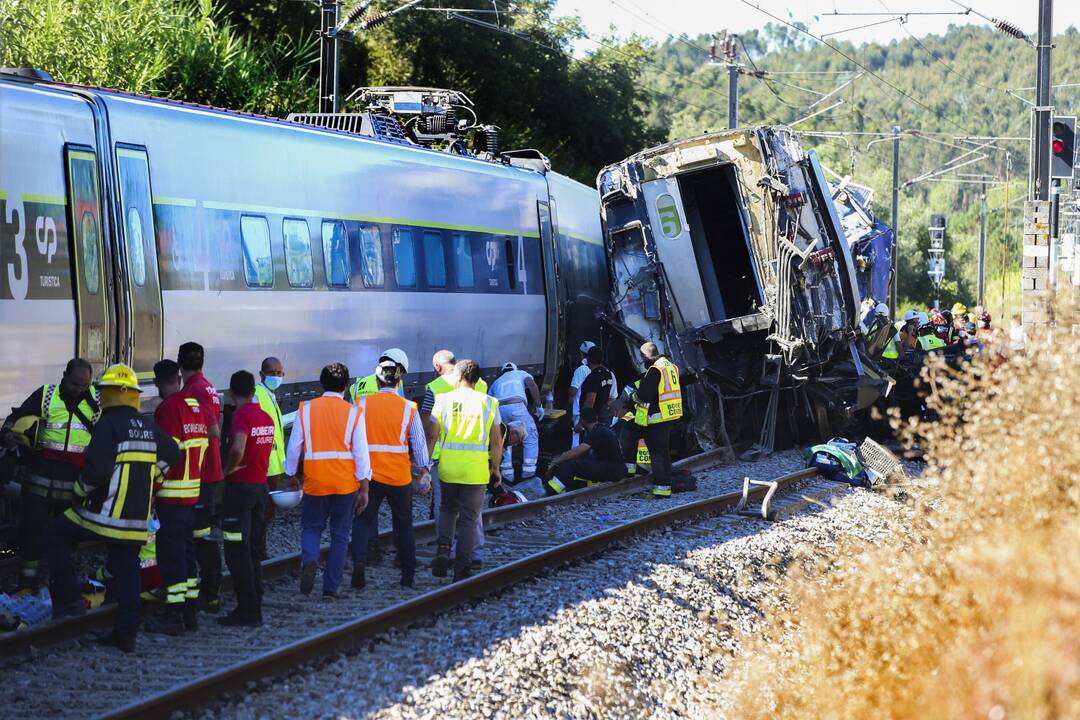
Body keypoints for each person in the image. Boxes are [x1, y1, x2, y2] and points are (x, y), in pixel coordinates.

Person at [45, 364, 180, 652]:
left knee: (55, 534)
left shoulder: (108, 425)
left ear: (111, 394)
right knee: (127, 568)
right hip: (134, 518)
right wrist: (154, 477)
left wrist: (77, 494)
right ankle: (125, 634)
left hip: (100, 514)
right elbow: (172, 452)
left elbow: (95, 473)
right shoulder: (146, 424)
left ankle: (69, 602)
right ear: (132, 395)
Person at [1, 358, 99, 590]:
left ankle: (61, 582)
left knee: (67, 537)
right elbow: (17, 417)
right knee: (31, 533)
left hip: (74, 485)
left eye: (84, 385)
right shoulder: (46, 395)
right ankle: (28, 582)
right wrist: (6, 432)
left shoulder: (97, 401)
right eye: (75, 384)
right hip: (39, 482)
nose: (79, 390)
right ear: (64, 376)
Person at [285, 363, 371, 598]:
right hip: (345, 483)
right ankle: (330, 589)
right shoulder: (353, 412)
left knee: (311, 527)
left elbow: (294, 448)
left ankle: (311, 559)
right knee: (340, 534)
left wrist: (292, 474)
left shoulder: (306, 410)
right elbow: (361, 454)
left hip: (316, 481)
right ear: (346, 386)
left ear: (322, 384)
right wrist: (364, 487)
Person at [350, 356, 431, 590]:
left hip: (369, 476)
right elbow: (418, 442)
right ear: (399, 382)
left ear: (377, 381)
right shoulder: (409, 408)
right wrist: (423, 471)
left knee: (363, 521)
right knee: (404, 524)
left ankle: (360, 564)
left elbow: (352, 438)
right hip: (398, 476)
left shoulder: (362, 405)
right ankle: (408, 575)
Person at [144, 360, 208, 636]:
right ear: (179, 379)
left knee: (170, 558)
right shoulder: (196, 407)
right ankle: (190, 611)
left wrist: (151, 489)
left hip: (171, 495)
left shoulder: (168, 409)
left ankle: (174, 615)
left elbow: (167, 454)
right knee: (187, 554)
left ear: (159, 382)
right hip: (192, 492)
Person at [426, 359, 502, 582]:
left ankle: (443, 549)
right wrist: (495, 468)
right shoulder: (489, 403)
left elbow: (432, 435)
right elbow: (496, 442)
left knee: (447, 509)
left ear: (458, 377)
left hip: (448, 467)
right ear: (477, 380)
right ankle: (462, 566)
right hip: (475, 471)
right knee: (469, 518)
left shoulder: (443, 400)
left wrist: (424, 465)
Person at [219, 370, 275, 626]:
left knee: (236, 551)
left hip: (239, 491)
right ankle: (256, 601)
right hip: (259, 488)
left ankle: (247, 609)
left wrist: (228, 468)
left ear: (231, 392)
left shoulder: (241, 416)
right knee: (252, 548)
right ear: (253, 391)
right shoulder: (265, 417)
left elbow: (239, 447)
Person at [179, 341, 225, 612]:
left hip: (202, 471)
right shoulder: (206, 385)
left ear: (180, 364)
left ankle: (210, 591)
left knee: (200, 534)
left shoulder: (195, 390)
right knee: (200, 533)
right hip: (208, 471)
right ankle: (208, 589)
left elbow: (211, 430)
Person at [621, 342, 681, 498]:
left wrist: (631, 397)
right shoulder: (669, 365)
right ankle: (630, 471)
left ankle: (661, 490)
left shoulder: (655, 369)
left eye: (642, 358)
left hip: (657, 418)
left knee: (658, 454)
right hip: (666, 415)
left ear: (645, 356)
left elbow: (644, 396)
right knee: (631, 433)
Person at [546, 407, 625, 494]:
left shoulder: (597, 432)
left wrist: (557, 460)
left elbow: (577, 451)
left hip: (612, 470)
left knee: (570, 465)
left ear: (582, 420)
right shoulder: (601, 428)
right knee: (579, 461)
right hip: (615, 468)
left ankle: (551, 492)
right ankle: (570, 488)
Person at [254, 357, 287, 560]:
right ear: (261, 374)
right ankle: (259, 550)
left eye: (279, 373)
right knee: (263, 511)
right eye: (272, 373)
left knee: (267, 511)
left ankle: (260, 547)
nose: (276, 377)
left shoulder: (270, 395)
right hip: (264, 464)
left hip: (274, 465)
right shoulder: (258, 395)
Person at [488, 362, 541, 482]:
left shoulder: (497, 381)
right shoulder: (521, 373)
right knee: (530, 435)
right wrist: (539, 405)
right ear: (515, 369)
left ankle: (507, 475)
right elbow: (531, 385)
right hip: (517, 406)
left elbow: (489, 401)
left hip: (500, 409)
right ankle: (529, 473)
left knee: (505, 439)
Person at [567, 341, 595, 448]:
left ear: (581, 353)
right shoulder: (597, 370)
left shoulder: (581, 369)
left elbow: (573, 391)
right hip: (592, 409)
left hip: (579, 411)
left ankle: (575, 461)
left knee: (577, 439)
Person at [578, 346, 617, 422]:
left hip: (593, 421)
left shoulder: (593, 377)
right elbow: (612, 397)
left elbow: (590, 401)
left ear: (588, 359)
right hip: (603, 417)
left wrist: (582, 422)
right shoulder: (608, 374)